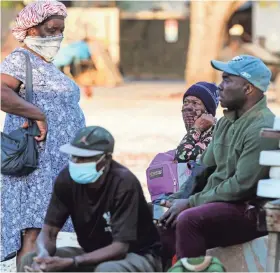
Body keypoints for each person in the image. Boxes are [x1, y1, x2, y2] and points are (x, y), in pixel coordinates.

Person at [158, 55, 279, 261]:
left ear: (248, 88)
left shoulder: (262, 127)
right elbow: (203, 169)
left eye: (226, 80)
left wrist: (190, 202)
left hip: (249, 211)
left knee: (189, 219)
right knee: (162, 223)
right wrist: (177, 198)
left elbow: (241, 187)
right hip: (219, 204)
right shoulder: (225, 123)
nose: (219, 87)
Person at [0, 1, 85, 265]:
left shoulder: (45, 64)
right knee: (34, 232)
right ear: (32, 30)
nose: (57, 37)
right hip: (36, 165)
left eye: (60, 30)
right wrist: (37, 114)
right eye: (51, 30)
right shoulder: (20, 59)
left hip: (55, 163)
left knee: (47, 231)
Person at [18, 126, 162, 272]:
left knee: (107, 270)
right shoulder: (66, 179)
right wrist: (43, 256)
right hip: (92, 254)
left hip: (137, 255)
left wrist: (72, 262)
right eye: (74, 156)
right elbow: (49, 232)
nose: (77, 162)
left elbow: (120, 248)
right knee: (29, 261)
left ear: (106, 159)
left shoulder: (124, 183)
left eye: (85, 158)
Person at [174, 82, 219, 164]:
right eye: (185, 102)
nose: (188, 107)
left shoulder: (214, 133)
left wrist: (196, 128)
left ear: (208, 111)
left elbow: (181, 157)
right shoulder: (200, 132)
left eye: (195, 103)